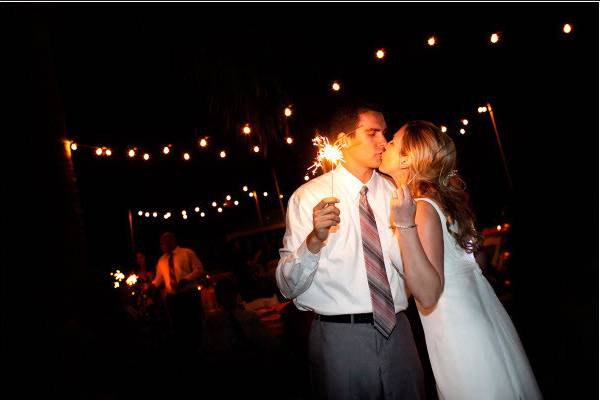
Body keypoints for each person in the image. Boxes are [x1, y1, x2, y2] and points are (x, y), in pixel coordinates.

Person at [378, 120, 542, 400]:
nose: (385, 144)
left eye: (392, 141)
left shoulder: (422, 208)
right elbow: (477, 259)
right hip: (481, 311)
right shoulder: (440, 200)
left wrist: (404, 224)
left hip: (457, 328)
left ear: (407, 158)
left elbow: (429, 293)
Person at [276, 104, 429, 399]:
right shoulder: (307, 198)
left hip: (400, 330)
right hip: (339, 338)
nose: (384, 142)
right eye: (372, 133)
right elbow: (285, 286)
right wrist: (314, 240)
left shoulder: (398, 192)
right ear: (344, 141)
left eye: (384, 133)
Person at [148, 232, 206, 342]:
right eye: (161, 244)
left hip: (189, 295)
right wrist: (152, 286)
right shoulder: (161, 260)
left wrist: (186, 279)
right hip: (173, 298)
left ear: (172, 241)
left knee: (193, 324)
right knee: (178, 326)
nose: (162, 246)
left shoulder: (187, 253)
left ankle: (198, 346)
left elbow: (199, 269)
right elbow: (159, 278)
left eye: (164, 243)